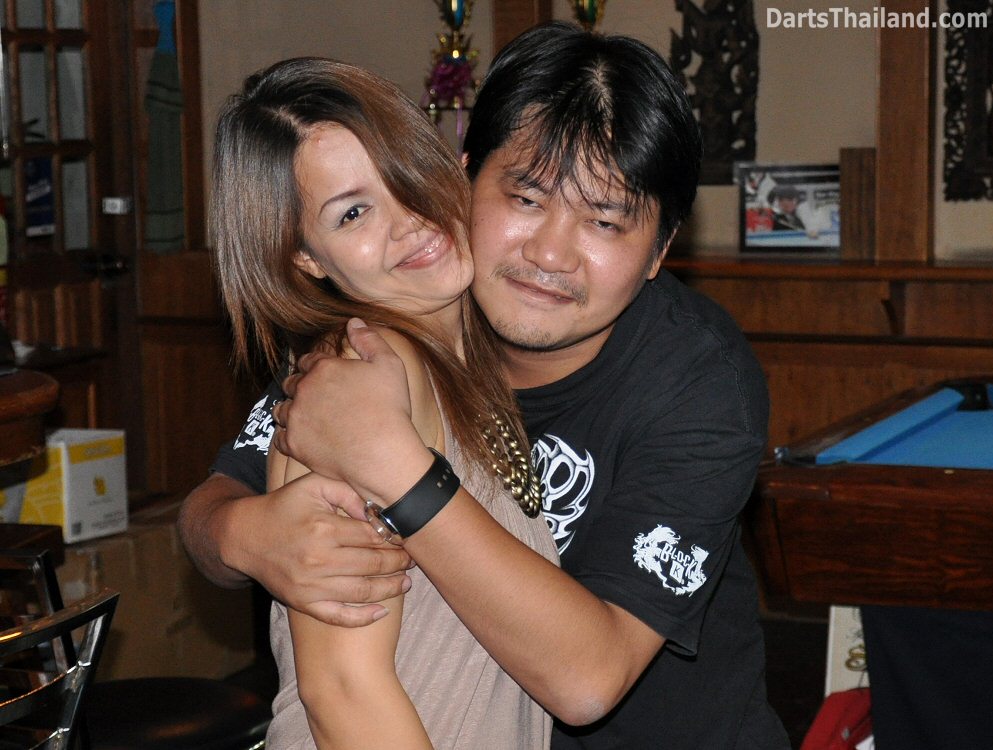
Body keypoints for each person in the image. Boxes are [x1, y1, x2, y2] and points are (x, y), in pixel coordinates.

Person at [181, 23, 791, 749]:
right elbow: (224, 507)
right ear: (467, 175)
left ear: (661, 249)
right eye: (526, 199)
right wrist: (245, 535)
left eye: (603, 220)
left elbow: (588, 679)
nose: (550, 254)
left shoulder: (697, 381)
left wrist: (400, 472)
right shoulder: (380, 346)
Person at [210, 56, 557, 749]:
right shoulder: (361, 380)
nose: (409, 221)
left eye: (407, 172)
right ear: (306, 258)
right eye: (353, 212)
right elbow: (343, 690)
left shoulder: (458, 362)